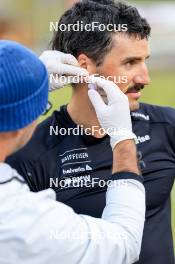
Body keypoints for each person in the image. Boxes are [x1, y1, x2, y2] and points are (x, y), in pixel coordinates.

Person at [7, 1, 175, 264]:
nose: (145, 78)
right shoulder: (31, 154)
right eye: (130, 63)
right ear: (84, 65)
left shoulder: (165, 126)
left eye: (145, 61)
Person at [0, 40, 145, 264]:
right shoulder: (23, 219)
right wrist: (123, 138)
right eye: (130, 62)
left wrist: (30, 84)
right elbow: (124, 243)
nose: (145, 79)